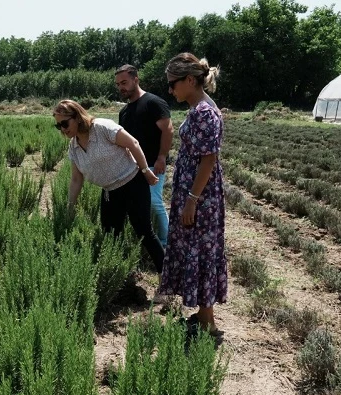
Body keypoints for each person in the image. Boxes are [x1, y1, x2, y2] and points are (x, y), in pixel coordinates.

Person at [157, 53, 227, 336]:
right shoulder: (200, 108)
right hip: (196, 194)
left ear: (189, 80)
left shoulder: (203, 113)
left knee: (201, 252)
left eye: (173, 83)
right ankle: (202, 315)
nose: (170, 90)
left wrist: (192, 201)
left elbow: (208, 161)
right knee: (198, 251)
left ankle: (207, 323)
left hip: (201, 198)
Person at [54, 99, 164, 272]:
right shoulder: (73, 147)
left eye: (65, 123)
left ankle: (165, 278)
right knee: (110, 237)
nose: (62, 128)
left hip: (132, 183)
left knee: (144, 231)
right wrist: (70, 206)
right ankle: (119, 274)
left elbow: (133, 143)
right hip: (109, 192)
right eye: (58, 126)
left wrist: (145, 170)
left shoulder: (102, 127)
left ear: (77, 117)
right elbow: (76, 179)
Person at [115, 64, 174, 248]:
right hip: (132, 168)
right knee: (135, 205)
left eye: (124, 82)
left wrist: (162, 157)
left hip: (153, 164)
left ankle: (165, 243)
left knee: (155, 202)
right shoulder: (124, 112)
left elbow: (168, 130)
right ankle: (145, 241)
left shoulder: (153, 103)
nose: (121, 87)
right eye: (118, 84)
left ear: (136, 79)